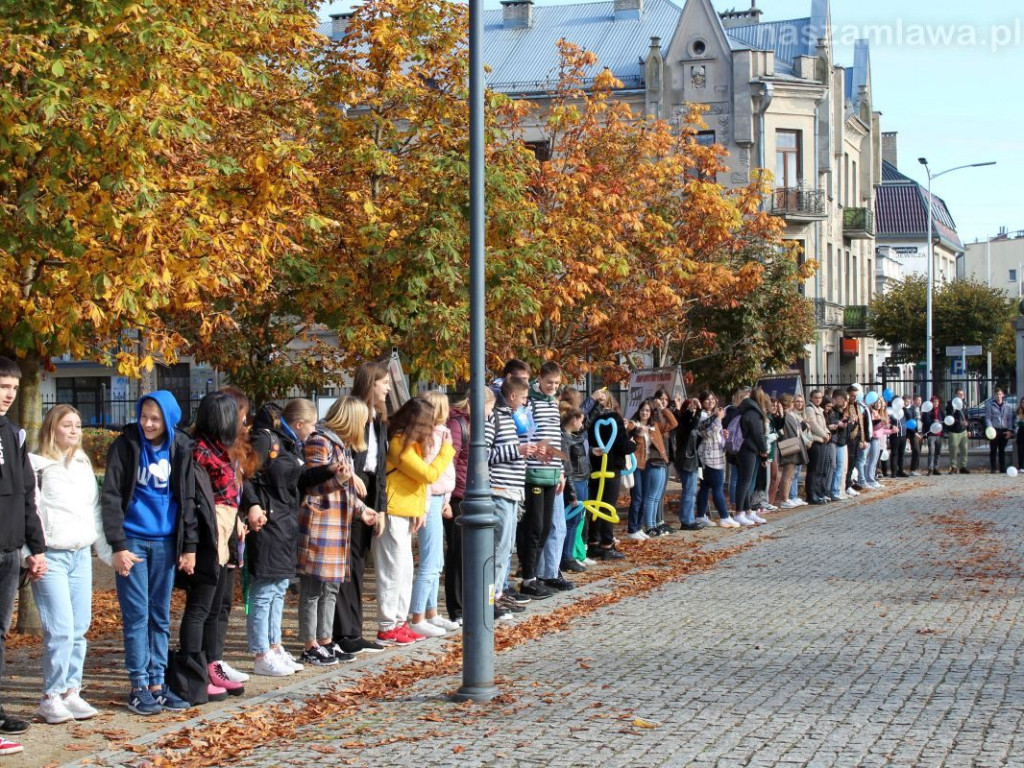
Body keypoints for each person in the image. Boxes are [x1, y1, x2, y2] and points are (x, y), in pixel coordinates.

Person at [101, 390, 195, 715]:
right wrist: (118, 545)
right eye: (144, 417)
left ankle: (158, 683)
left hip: (166, 543)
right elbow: (111, 496)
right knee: (137, 616)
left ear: (168, 419)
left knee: (160, 614)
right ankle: (139, 685)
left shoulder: (181, 447)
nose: (148, 423)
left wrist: (189, 548)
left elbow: (189, 502)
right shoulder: (126, 445)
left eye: (155, 418)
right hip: (133, 542)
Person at [243, 399, 337, 677]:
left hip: (286, 522)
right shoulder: (267, 439)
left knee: (280, 587)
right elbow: (246, 474)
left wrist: (328, 470)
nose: (314, 430)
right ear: (298, 424)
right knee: (265, 589)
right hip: (269, 523)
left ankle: (274, 646)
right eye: (311, 424)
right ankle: (261, 652)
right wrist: (253, 505)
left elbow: (298, 480)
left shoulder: (289, 444)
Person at [29, 405, 98, 724]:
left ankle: (71, 690)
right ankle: (51, 696)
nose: (74, 430)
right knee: (59, 629)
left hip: (80, 553)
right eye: (67, 425)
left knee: (79, 627)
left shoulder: (83, 464)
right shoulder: (37, 465)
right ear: (51, 428)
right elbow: (31, 511)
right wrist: (32, 551)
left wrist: (105, 549)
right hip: (51, 555)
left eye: (78, 425)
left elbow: (93, 510)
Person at [174, 392, 243, 704]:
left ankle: (212, 664)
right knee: (200, 607)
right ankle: (193, 672)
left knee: (216, 607)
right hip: (205, 534)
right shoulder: (199, 452)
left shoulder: (218, 449)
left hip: (223, 531)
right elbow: (194, 499)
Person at [298, 396, 377, 665]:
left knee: (331, 588)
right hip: (321, 524)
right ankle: (310, 644)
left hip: (338, 523)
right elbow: (310, 487)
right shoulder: (319, 441)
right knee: (313, 589)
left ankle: (326, 640)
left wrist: (361, 509)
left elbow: (344, 491)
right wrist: (338, 480)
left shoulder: (340, 446)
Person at [375, 397, 455, 644]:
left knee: (405, 571)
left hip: (407, 510)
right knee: (392, 571)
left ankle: (399, 622)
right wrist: (446, 450)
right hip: (393, 511)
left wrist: (420, 508)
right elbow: (427, 474)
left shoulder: (412, 444)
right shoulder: (400, 443)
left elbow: (419, 483)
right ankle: (388, 625)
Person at [0, 358, 45, 752]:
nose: (9, 394)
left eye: (13, 387)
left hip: (10, 551)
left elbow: (27, 497)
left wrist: (35, 548)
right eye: (2, 385)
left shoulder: (15, 435)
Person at [332, 362, 389, 656]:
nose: (388, 388)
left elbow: (380, 467)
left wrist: (380, 508)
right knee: (348, 564)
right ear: (371, 384)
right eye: (384, 383)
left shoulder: (378, 419)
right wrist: (350, 475)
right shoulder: (355, 412)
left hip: (369, 490)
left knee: (359, 562)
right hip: (350, 489)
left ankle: (354, 629)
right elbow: (341, 449)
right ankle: (345, 631)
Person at [408, 392, 460, 637]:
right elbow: (426, 476)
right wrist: (427, 505)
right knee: (429, 562)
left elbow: (445, 472)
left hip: (439, 498)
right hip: (429, 501)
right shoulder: (430, 437)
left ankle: (431, 613)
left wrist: (446, 499)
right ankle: (417, 616)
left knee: (436, 561)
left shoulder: (442, 433)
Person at [518, 362, 565, 599]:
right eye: (549, 383)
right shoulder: (532, 402)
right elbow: (526, 433)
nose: (553, 387)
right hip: (535, 472)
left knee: (546, 527)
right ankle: (528, 577)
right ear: (540, 379)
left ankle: (536, 575)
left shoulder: (553, 404)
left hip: (552, 473)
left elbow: (556, 439)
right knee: (534, 527)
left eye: (556, 384)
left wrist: (561, 471)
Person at [487, 377, 533, 617]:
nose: (526, 402)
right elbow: (484, 453)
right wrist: (517, 450)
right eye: (524, 397)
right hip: (500, 490)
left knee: (506, 549)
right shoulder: (494, 417)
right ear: (513, 396)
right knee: (497, 548)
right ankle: (489, 600)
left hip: (514, 490)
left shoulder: (513, 418)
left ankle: (499, 595)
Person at [587, 389, 634, 559]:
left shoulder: (591, 419)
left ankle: (593, 542)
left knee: (595, 505)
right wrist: (633, 442)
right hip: (611, 467)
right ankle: (606, 545)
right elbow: (623, 445)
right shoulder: (614, 419)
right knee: (608, 506)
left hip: (594, 466)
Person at [694, 391, 734, 527]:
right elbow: (707, 433)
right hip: (709, 456)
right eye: (707, 399)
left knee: (705, 487)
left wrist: (724, 434)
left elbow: (716, 434)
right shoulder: (702, 415)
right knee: (717, 486)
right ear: (702, 401)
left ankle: (700, 515)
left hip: (716, 453)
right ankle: (724, 516)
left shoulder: (714, 415)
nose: (710, 401)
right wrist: (718, 419)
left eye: (712, 399)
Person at [560, 406, 589, 573]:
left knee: (577, 520)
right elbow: (568, 468)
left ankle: (569, 555)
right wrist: (571, 492)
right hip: (575, 482)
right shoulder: (565, 438)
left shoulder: (574, 436)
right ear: (573, 420)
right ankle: (566, 557)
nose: (582, 423)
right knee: (572, 521)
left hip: (582, 480)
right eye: (581, 420)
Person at [734, 388, 769, 522]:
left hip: (746, 449)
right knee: (745, 482)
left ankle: (748, 511)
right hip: (749, 449)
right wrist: (764, 449)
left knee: (746, 482)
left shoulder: (746, 409)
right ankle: (739, 513)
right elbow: (757, 434)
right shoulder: (754, 413)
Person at [776, 394, 808, 510]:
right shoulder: (784, 414)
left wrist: (803, 425)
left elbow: (796, 429)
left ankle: (786, 497)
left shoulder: (789, 414)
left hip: (793, 444)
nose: (794, 404)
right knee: (787, 474)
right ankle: (784, 499)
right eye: (793, 402)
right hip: (788, 445)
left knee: (790, 475)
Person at [803, 390, 830, 504]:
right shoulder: (810, 409)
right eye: (816, 398)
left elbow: (823, 425)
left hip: (822, 441)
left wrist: (828, 433)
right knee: (814, 469)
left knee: (820, 469)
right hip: (815, 441)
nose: (818, 399)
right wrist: (824, 435)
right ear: (811, 398)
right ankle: (811, 494)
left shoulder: (820, 409)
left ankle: (818, 493)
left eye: (819, 398)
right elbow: (813, 424)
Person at [984, 388, 1014, 474]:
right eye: (997, 394)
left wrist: (1010, 430)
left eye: (1000, 394)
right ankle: (993, 468)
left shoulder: (1007, 406)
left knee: (1002, 450)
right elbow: (988, 418)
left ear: (1003, 395)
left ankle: (1002, 468)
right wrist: (990, 428)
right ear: (994, 395)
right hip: (994, 430)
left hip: (1004, 430)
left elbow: (1010, 419)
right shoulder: (990, 405)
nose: (998, 396)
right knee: (993, 450)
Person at [945, 389, 969, 474]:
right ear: (955, 395)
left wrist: (968, 428)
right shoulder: (951, 405)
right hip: (954, 431)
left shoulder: (964, 404)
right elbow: (949, 418)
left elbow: (966, 417)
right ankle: (953, 466)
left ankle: (963, 466)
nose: (961, 396)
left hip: (963, 431)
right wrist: (959, 422)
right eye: (959, 394)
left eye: (962, 394)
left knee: (964, 449)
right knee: (953, 450)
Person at [922, 395, 944, 476]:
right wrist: (933, 421)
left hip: (939, 434)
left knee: (938, 452)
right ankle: (930, 468)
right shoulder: (928, 411)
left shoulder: (940, 410)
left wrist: (940, 421)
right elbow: (926, 421)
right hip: (931, 434)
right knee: (931, 452)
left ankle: (936, 468)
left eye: (937, 402)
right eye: (934, 402)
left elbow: (944, 420)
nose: (936, 404)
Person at [1015, 399, 1024, 471]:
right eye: (1022, 402)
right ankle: (1020, 466)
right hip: (1020, 433)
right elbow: (1015, 423)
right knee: (1020, 450)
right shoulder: (1018, 411)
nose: (1023, 404)